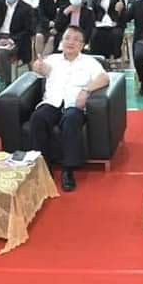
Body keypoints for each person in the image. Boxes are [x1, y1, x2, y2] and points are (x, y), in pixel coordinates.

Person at [29, 26, 110, 192]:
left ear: (82, 45)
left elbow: (104, 78)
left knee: (71, 119)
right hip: (52, 103)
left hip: (74, 105)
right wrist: (38, 67)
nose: (70, 42)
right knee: (38, 118)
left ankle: (68, 170)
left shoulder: (89, 62)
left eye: (76, 39)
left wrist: (86, 91)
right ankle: (44, 169)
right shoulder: (52, 59)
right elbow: (42, 69)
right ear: (61, 41)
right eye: (67, 38)